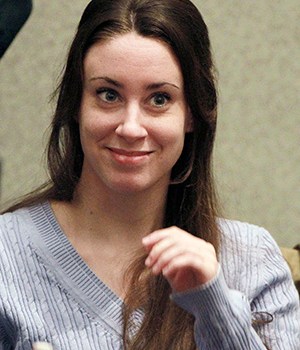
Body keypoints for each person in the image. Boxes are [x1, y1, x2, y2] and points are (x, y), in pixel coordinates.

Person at [0, 0, 299, 349]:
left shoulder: (254, 259)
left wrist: (213, 304)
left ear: (192, 115)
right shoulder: (6, 253)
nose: (130, 127)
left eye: (159, 99)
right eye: (108, 95)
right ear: (75, 105)